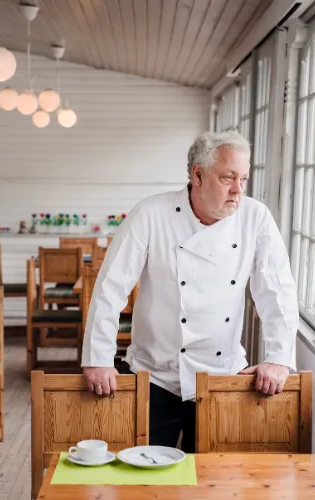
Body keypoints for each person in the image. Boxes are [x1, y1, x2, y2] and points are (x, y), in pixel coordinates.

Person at [82, 131, 299, 453]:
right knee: (145, 478)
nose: (238, 190)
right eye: (228, 178)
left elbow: (276, 291)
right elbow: (111, 288)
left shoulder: (255, 217)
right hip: (155, 375)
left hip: (223, 375)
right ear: (197, 174)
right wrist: (98, 358)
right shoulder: (151, 214)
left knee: (217, 480)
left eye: (243, 178)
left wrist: (279, 358)